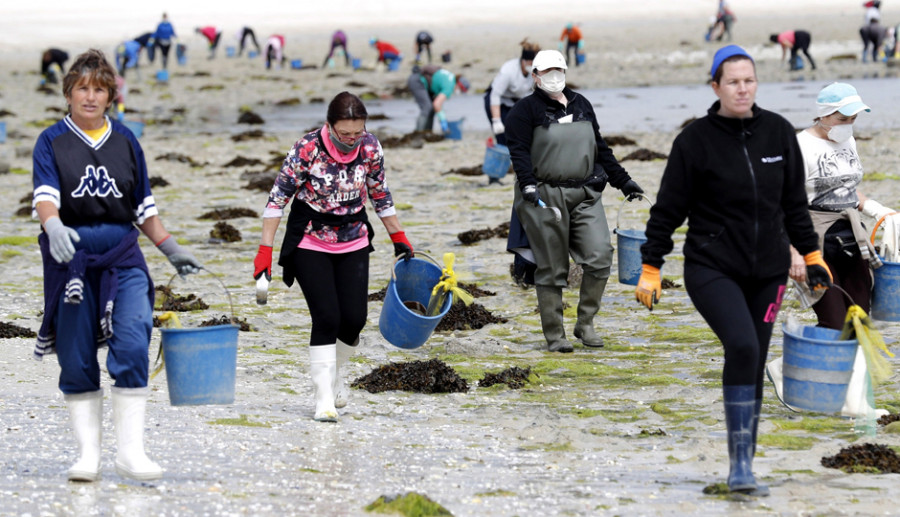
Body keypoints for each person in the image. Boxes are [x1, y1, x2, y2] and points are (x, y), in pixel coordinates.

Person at [634, 45, 832, 496]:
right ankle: (739, 465)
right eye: (733, 82)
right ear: (716, 87)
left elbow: (794, 207)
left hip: (768, 273)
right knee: (741, 344)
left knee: (753, 357)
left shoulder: (778, 133)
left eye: (749, 80)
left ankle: (743, 464)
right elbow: (668, 210)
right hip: (711, 267)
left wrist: (812, 255)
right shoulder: (695, 141)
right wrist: (650, 265)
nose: (743, 88)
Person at [31, 49, 202, 482]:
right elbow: (45, 195)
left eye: (99, 89)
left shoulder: (126, 140)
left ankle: (131, 452)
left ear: (111, 95)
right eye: (82, 88)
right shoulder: (51, 140)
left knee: (132, 337)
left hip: (124, 257)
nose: (90, 96)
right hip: (69, 261)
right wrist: (53, 227)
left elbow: (143, 204)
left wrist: (169, 246)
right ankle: (88, 455)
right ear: (68, 93)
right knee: (75, 355)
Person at [253, 91, 414, 422]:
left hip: (353, 237)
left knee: (354, 319)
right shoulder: (307, 149)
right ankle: (323, 397)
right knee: (327, 317)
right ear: (330, 125)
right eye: (345, 134)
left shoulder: (370, 148)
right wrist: (264, 252)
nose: (352, 140)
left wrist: (399, 237)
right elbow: (277, 199)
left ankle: (337, 375)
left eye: (357, 132)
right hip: (310, 238)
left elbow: (380, 193)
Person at [767, 83, 894, 418]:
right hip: (813, 241)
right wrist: (793, 254)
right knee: (833, 321)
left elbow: (849, 190)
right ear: (824, 114)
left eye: (853, 116)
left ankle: (855, 402)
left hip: (851, 237)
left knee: (860, 322)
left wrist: (879, 210)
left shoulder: (847, 139)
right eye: (843, 115)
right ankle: (785, 369)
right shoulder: (799, 146)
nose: (849, 121)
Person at [506, 50, 644, 353]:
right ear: (535, 76)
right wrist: (528, 185)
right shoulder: (523, 112)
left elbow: (600, 148)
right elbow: (518, 152)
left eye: (559, 70)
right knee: (552, 267)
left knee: (600, 256)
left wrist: (623, 181)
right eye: (547, 71)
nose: (554, 76)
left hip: (586, 193)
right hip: (544, 197)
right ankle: (556, 336)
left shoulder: (582, 104)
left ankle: (585, 323)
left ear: (566, 72)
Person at [483, 38, 541, 284]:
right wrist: (497, 122)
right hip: (497, 103)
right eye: (528, 62)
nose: (530, 66)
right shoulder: (508, 70)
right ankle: (494, 174)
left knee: (516, 142)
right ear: (523, 60)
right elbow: (495, 95)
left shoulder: (536, 73)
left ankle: (515, 168)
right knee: (502, 140)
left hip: (517, 105)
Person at [407, 64, 460, 133]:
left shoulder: (450, 77)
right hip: (417, 81)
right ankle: (418, 133)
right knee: (427, 107)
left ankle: (427, 133)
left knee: (431, 109)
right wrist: (443, 123)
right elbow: (437, 104)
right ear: (458, 85)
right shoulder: (449, 86)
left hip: (423, 82)